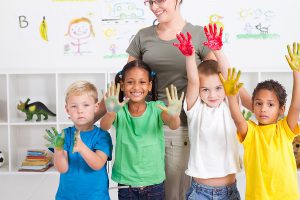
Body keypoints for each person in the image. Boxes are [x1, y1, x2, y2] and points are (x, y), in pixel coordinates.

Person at [126, 1, 216, 198]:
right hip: (145, 126)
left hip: (180, 127)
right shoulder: (143, 36)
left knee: (175, 193)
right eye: (149, 1)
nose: (153, 6)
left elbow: (216, 80)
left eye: (159, 0)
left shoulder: (198, 34)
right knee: (145, 192)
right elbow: (126, 81)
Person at [173, 23, 249, 199]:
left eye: (218, 88)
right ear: (199, 91)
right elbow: (193, 80)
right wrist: (190, 56)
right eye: (205, 89)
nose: (212, 94)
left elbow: (229, 76)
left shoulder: (230, 107)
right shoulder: (195, 109)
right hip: (200, 192)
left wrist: (218, 50)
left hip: (230, 191)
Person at [220, 42, 300, 199]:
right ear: (253, 106)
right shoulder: (250, 132)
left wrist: (296, 73)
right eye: (258, 103)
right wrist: (231, 97)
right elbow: (237, 117)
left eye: (270, 104)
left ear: (281, 110)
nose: (263, 108)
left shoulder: (284, 130)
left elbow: (296, 107)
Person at [100, 60, 183, 199]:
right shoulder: (119, 111)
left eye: (142, 82)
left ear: (150, 85)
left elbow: (173, 125)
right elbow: (104, 126)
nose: (136, 87)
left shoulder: (157, 107)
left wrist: (174, 116)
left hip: (154, 184)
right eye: (130, 82)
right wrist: (110, 113)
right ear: (122, 86)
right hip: (126, 184)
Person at [45, 81, 113, 200]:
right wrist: (58, 149)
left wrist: (81, 147)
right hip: (66, 196)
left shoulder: (102, 136)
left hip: (96, 197)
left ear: (96, 107)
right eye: (74, 106)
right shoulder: (64, 135)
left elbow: (97, 164)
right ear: (67, 109)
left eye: (86, 105)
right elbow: (62, 168)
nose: (80, 110)